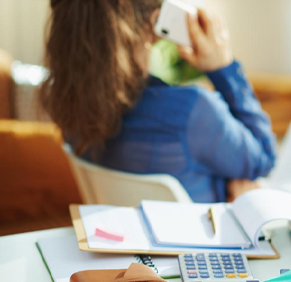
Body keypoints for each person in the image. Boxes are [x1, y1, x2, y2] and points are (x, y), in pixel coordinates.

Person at [39, 0, 276, 203]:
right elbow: (264, 158)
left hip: (128, 248)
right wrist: (223, 68)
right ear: (155, 21)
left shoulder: (69, 105)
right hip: (198, 250)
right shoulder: (192, 112)